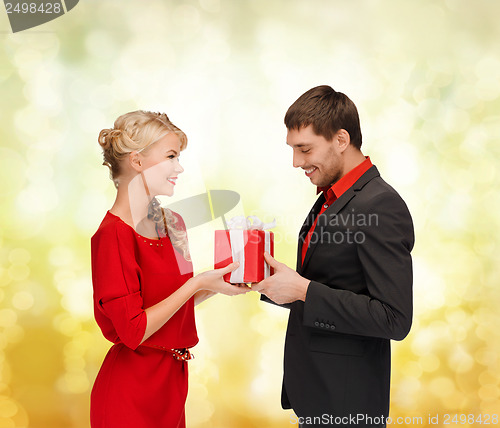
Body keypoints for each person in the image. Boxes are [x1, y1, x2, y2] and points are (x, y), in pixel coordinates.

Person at [253, 86, 414, 427]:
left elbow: (394, 319)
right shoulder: (332, 196)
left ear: (341, 139)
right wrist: (273, 284)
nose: (296, 162)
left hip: (348, 407)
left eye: (305, 149)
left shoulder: (380, 205)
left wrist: (302, 291)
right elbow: (331, 284)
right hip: (318, 397)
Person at [90, 110, 249, 428]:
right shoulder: (112, 235)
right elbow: (133, 331)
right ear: (137, 161)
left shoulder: (172, 224)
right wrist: (196, 283)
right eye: (172, 156)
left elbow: (170, 305)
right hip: (130, 392)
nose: (180, 167)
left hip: (172, 384)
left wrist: (217, 286)